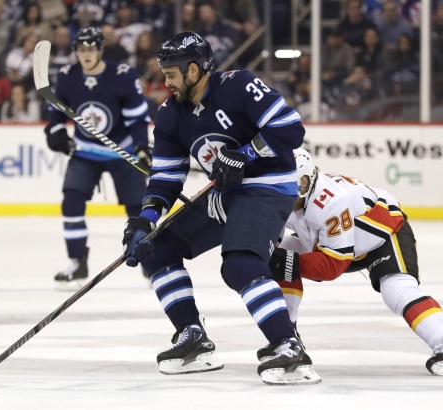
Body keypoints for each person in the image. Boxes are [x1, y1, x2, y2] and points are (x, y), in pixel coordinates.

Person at [121, 32, 321, 385]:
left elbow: (290, 128)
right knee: (158, 250)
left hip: (267, 188)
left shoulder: (239, 86)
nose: (165, 82)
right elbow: (166, 176)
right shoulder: (169, 115)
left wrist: (244, 155)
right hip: (222, 194)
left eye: (171, 74)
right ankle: (193, 337)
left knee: (240, 264)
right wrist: (145, 220)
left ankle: (289, 346)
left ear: (194, 69)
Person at [266, 148, 443, 376]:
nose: (286, 194)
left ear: (307, 180)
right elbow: (271, 241)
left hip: (383, 237)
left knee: (396, 290)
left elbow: (332, 266)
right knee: (283, 253)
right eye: (280, 186)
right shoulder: (279, 195)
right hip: (335, 243)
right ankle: (287, 338)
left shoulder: (333, 200)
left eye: (293, 186)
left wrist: (283, 260)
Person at [45, 26, 151, 290]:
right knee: (71, 201)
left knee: (138, 209)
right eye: (81, 50)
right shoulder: (68, 76)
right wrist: (55, 132)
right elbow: (56, 114)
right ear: (76, 52)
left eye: (91, 49)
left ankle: (151, 265)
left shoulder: (123, 76)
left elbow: (138, 119)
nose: (87, 54)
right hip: (86, 150)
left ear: (100, 50)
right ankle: (77, 262)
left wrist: (141, 146)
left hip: (122, 151)